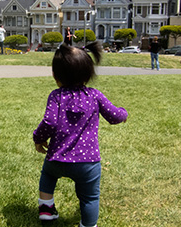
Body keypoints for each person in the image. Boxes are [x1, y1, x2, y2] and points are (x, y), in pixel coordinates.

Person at [33, 43, 128, 227]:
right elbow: (114, 116)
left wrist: (38, 138)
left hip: (56, 159)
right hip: (88, 163)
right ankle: (88, 224)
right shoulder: (95, 95)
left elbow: (49, 122)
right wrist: (123, 113)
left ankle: (46, 210)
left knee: (47, 177)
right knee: (90, 197)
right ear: (88, 73)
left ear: (56, 75)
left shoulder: (56, 96)